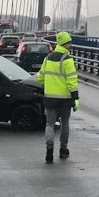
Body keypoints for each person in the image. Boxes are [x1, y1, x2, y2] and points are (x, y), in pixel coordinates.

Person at [36, 31, 79, 163]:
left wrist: (46, 87)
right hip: (65, 100)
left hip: (50, 99)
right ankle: (63, 150)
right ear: (65, 44)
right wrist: (75, 98)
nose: (70, 45)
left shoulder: (47, 58)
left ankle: (49, 147)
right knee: (65, 124)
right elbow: (72, 81)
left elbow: (40, 77)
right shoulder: (67, 60)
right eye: (69, 43)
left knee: (49, 124)